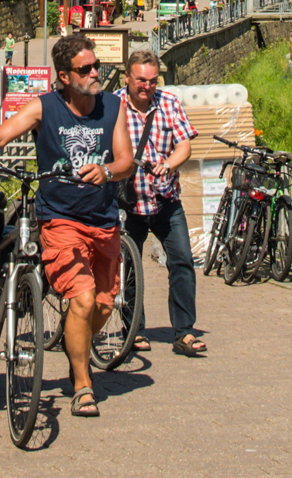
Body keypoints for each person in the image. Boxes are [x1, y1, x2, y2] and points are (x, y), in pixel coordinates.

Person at [0, 31, 135, 420]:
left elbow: (126, 161)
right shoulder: (44, 108)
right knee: (82, 300)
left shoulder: (113, 107)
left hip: (103, 221)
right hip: (60, 219)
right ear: (65, 77)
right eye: (85, 69)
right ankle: (83, 385)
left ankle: (77, 354)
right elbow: (1, 135)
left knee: (103, 306)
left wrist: (106, 170)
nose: (94, 73)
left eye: (95, 66)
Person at [120, 49, 205, 356]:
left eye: (153, 81)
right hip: (129, 202)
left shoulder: (168, 103)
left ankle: (184, 332)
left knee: (182, 261)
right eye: (141, 80)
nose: (147, 86)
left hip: (165, 198)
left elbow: (184, 146)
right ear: (127, 77)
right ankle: (133, 330)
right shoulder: (113, 104)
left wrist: (168, 164)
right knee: (128, 267)